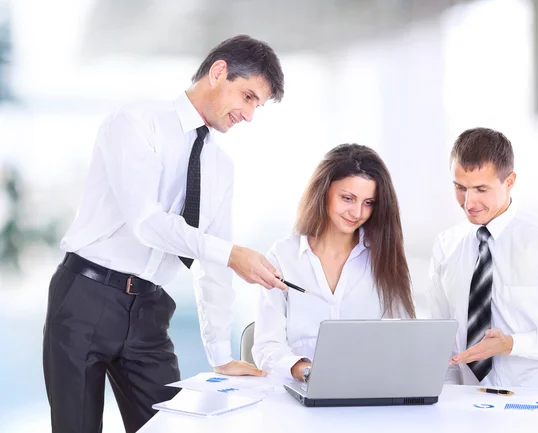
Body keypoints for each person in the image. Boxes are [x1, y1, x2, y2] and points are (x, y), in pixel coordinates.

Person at [43, 35, 287, 433]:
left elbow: (213, 266)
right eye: (247, 97)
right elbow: (147, 221)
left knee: (174, 426)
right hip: (86, 298)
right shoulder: (136, 123)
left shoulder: (221, 167)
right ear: (219, 71)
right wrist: (230, 253)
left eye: (256, 104)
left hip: (149, 312)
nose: (249, 114)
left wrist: (221, 354)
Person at [428, 127, 538, 388]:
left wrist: (512, 344)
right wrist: (447, 393)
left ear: (510, 181)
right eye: (460, 187)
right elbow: (440, 336)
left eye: (481, 189)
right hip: (472, 401)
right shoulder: (446, 245)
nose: (469, 202)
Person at [252, 144, 416, 381]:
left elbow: (406, 338)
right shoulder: (283, 257)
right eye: (347, 198)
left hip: (368, 393)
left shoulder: (384, 258)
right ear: (323, 191)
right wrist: (309, 373)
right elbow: (267, 346)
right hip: (300, 392)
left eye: (368, 202)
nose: (357, 212)